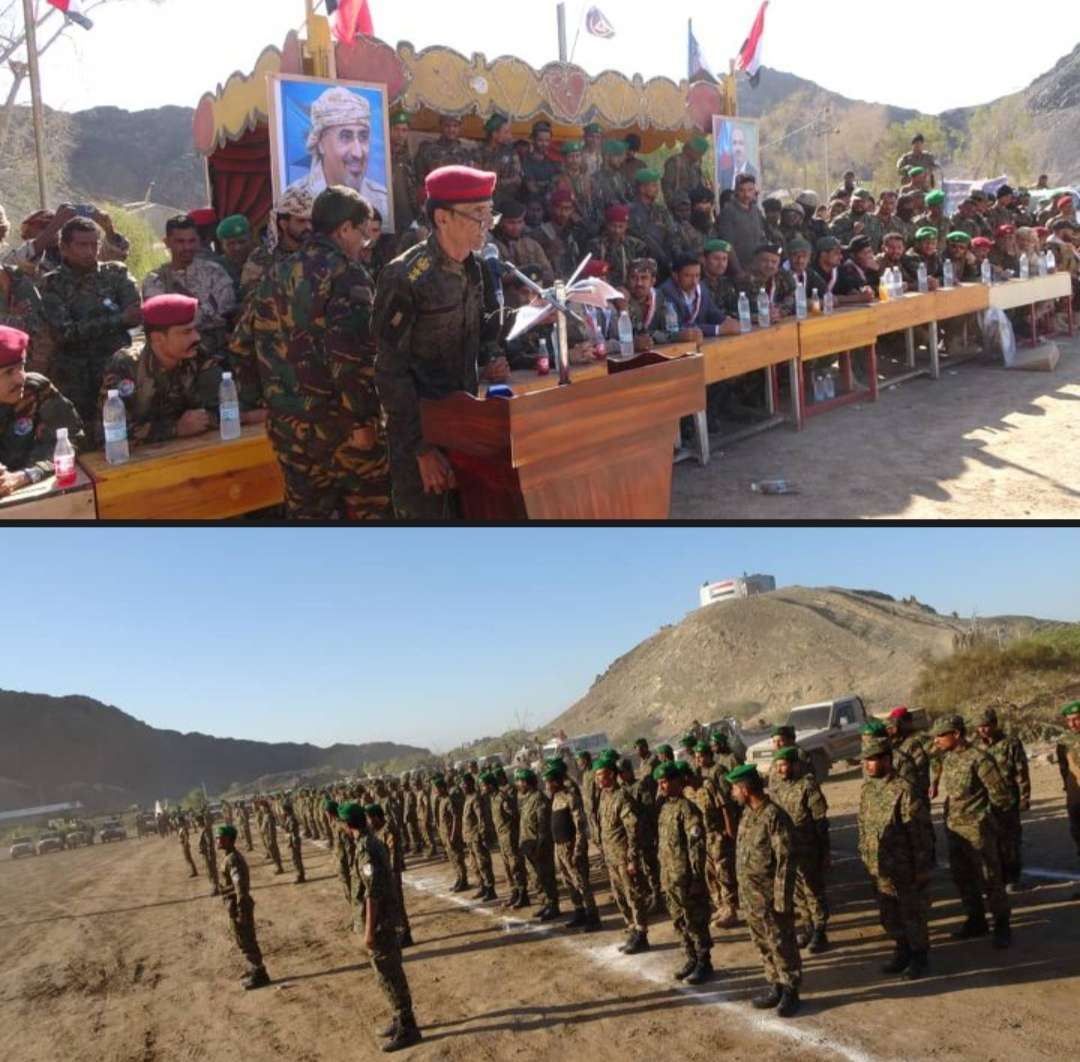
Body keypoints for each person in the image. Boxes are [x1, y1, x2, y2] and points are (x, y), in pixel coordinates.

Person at [243, 185, 390, 520]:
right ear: (345, 229)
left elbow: (242, 343)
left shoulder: (276, 273)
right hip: (342, 429)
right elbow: (351, 357)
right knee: (373, 513)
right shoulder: (347, 274)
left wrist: (264, 401)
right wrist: (362, 420)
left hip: (289, 429)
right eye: (363, 233)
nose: (365, 243)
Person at [374, 165, 508, 519]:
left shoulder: (475, 268)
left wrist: (497, 350)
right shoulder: (405, 277)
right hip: (421, 434)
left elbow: (483, 331)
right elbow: (390, 372)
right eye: (477, 214)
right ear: (442, 218)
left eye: (489, 213)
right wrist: (421, 449)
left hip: (463, 425)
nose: (487, 224)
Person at [37, 216, 141, 431]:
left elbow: (135, 315)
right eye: (82, 245)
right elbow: (65, 333)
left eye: (94, 244)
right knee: (82, 434)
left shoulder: (116, 273)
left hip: (117, 369)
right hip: (75, 379)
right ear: (64, 248)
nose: (90, 251)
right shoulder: (51, 284)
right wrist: (118, 319)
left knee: (128, 426)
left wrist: (106, 322)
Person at [97, 294, 236, 448]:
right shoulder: (126, 366)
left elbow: (227, 408)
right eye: (186, 332)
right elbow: (108, 434)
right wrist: (175, 428)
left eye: (195, 329)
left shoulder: (198, 355)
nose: (196, 337)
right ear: (158, 338)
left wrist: (206, 418)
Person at [339, 802, 421, 1052]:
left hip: (380, 923)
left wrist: (368, 931)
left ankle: (408, 1026)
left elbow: (372, 892)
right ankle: (399, 1018)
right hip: (381, 920)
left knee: (389, 972)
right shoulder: (368, 842)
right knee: (385, 972)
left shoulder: (367, 848)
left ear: (347, 824)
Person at [933, 714, 1014, 947]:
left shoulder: (980, 759)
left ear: (956, 734)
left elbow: (1001, 796)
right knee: (963, 877)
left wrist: (989, 823)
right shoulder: (948, 758)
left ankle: (1002, 925)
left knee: (990, 878)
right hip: (955, 830)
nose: (937, 740)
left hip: (979, 830)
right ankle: (976, 920)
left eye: (941, 735)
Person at [727, 763, 802, 1016]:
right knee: (762, 943)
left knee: (781, 943)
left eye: (734, 788)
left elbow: (786, 860)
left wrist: (781, 899)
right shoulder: (748, 814)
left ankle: (791, 989)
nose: (732, 793)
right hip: (751, 897)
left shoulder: (774, 816)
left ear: (745, 789)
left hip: (770, 897)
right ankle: (775, 984)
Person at [858, 735, 934, 979]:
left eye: (872, 760)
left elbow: (919, 834)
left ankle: (919, 956)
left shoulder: (905, 790)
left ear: (887, 760)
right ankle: (902, 951)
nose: (868, 765)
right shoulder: (868, 790)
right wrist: (865, 854)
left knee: (911, 914)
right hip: (879, 867)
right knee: (889, 915)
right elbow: (863, 825)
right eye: (866, 760)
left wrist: (921, 868)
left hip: (903, 866)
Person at [0, 325, 84, 497]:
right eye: (8, 372)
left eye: (21, 367)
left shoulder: (36, 389)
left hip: (36, 492)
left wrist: (27, 475)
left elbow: (71, 439)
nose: (20, 378)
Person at [285, 87, 389, 221]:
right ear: (320, 143)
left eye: (363, 137)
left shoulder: (383, 201)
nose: (358, 153)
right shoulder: (295, 201)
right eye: (346, 137)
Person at [143, 215, 236, 361]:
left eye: (191, 241)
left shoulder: (215, 272)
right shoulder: (155, 280)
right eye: (180, 241)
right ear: (167, 242)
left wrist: (184, 320)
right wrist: (206, 312)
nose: (187, 247)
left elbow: (226, 311)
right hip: (175, 359)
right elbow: (163, 322)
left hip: (215, 356)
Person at [654, 761, 713, 984]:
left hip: (686, 878)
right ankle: (691, 957)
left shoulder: (687, 809)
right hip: (670, 877)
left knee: (695, 920)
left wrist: (697, 877)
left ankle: (704, 962)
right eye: (660, 782)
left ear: (677, 781)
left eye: (665, 781)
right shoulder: (665, 808)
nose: (662, 786)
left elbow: (696, 846)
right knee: (679, 921)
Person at [769, 746, 831, 953]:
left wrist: (824, 851)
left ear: (795, 765)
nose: (780, 770)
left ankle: (820, 931)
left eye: (783, 765)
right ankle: (808, 927)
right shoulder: (777, 788)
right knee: (798, 893)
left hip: (809, 847)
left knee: (814, 890)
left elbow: (820, 820)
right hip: (789, 849)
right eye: (777, 766)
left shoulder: (807, 784)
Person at [596, 755, 650, 952]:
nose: (599, 779)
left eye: (602, 774)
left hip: (623, 857)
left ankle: (641, 934)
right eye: (597, 775)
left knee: (633, 895)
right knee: (620, 897)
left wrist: (632, 858)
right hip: (611, 858)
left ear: (612, 774)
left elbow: (633, 830)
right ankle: (632, 929)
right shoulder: (604, 796)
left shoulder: (622, 797)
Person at [973, 706, 1030, 891]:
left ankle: (1012, 878)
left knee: (1010, 841)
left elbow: (1021, 771)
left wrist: (1025, 796)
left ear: (995, 724)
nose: (982, 730)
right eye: (979, 726)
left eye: (986, 725)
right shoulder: (975, 746)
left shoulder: (1010, 743)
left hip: (1007, 800)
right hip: (984, 802)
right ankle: (994, 878)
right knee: (988, 841)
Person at [544, 760, 600, 931]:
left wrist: (578, 849)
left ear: (555, 782)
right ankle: (579, 911)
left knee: (581, 882)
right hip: (559, 847)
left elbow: (580, 826)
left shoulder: (570, 797)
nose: (546, 786)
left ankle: (593, 916)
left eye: (548, 782)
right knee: (568, 881)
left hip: (571, 845)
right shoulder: (555, 798)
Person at [215, 825, 271, 990]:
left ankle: (260, 973)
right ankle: (255, 968)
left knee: (246, 939)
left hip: (240, 904)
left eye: (220, 837)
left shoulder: (233, 859)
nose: (217, 840)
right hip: (235, 904)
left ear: (228, 839)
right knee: (242, 939)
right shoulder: (229, 856)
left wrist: (241, 909)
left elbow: (240, 886)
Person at [238, 187, 314, 303]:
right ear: (283, 224)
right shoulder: (262, 257)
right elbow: (250, 298)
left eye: (311, 221)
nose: (308, 227)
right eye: (301, 221)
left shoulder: (319, 253)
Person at [659, 254, 742, 341]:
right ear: (675, 276)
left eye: (697, 275)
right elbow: (679, 326)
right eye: (688, 276)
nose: (694, 281)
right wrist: (717, 329)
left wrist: (727, 321)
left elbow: (712, 312)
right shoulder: (666, 292)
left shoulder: (701, 287)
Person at [365, 803, 413, 947]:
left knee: (397, 903)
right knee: (391, 905)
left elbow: (393, 854)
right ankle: (401, 933)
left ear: (376, 817)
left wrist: (390, 874)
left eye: (370, 818)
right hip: (386, 873)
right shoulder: (377, 831)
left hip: (392, 873)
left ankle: (405, 935)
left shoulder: (388, 830)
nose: (368, 822)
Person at [515, 766, 560, 920]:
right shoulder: (528, 799)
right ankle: (545, 903)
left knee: (546, 877)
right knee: (536, 878)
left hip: (540, 847)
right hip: (529, 847)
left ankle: (553, 906)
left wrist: (540, 847)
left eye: (520, 782)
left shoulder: (539, 799)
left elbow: (543, 826)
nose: (518, 785)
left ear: (526, 783)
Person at [628, 169, 677, 277]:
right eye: (654, 185)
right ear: (642, 188)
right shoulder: (631, 211)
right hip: (640, 265)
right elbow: (639, 238)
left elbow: (672, 233)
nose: (657, 189)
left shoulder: (661, 210)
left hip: (664, 263)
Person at [718, 174, 767, 275]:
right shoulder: (728, 212)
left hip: (756, 269)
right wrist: (739, 271)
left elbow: (762, 238)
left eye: (750, 190)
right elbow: (728, 245)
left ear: (755, 191)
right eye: (742, 190)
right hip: (737, 272)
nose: (746, 195)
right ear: (736, 191)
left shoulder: (756, 211)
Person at [461, 772, 497, 901]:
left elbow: (481, 819)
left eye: (464, 784)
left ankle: (490, 889)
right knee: (474, 865)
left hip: (477, 837)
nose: (463, 787)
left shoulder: (476, 798)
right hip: (469, 838)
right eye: (462, 784)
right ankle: (482, 887)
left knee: (483, 864)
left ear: (471, 784)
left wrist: (483, 835)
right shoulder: (468, 798)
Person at [476, 113, 524, 205]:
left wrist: (497, 182)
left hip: (506, 200)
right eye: (506, 132)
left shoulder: (511, 152)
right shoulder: (479, 152)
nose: (510, 136)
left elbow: (518, 179)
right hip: (483, 201)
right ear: (494, 134)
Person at [414, 113, 475, 184]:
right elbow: (419, 176)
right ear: (441, 126)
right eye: (447, 125)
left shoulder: (466, 153)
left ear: (459, 128)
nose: (451, 129)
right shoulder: (427, 149)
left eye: (455, 126)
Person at [387, 111, 420, 236]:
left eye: (404, 130)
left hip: (406, 218)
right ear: (389, 130)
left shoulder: (408, 158)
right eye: (396, 129)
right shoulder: (382, 156)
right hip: (387, 216)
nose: (400, 134)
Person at [662, 136, 712, 207]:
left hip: (694, 206)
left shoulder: (696, 166)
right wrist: (673, 204)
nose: (700, 156)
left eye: (701, 154)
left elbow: (699, 186)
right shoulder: (675, 163)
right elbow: (667, 186)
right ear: (690, 150)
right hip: (678, 206)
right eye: (699, 153)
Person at [520, 120, 563, 202]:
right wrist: (550, 184)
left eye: (547, 140)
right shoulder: (526, 161)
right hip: (531, 203)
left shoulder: (552, 160)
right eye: (540, 140)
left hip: (550, 202)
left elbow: (560, 178)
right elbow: (532, 188)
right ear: (533, 140)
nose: (544, 144)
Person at [216, 215, 254, 292]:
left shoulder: (266, 260)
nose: (237, 248)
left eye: (242, 242)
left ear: (251, 239)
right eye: (231, 244)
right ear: (222, 246)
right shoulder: (218, 270)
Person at [592, 140, 632, 215]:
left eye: (622, 156)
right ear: (607, 156)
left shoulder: (620, 177)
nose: (622, 159)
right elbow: (598, 206)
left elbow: (629, 197)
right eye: (618, 155)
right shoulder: (595, 179)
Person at [717, 123, 757, 191]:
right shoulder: (724, 175)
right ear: (731, 147)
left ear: (746, 146)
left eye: (741, 143)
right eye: (734, 143)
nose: (737, 148)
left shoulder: (755, 173)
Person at [280, 798, 306, 884]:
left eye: (284, 810)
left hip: (294, 841)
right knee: (295, 859)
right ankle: (300, 874)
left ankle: (300, 876)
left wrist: (293, 843)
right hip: (292, 840)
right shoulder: (289, 818)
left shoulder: (291, 819)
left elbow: (292, 831)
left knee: (296, 859)